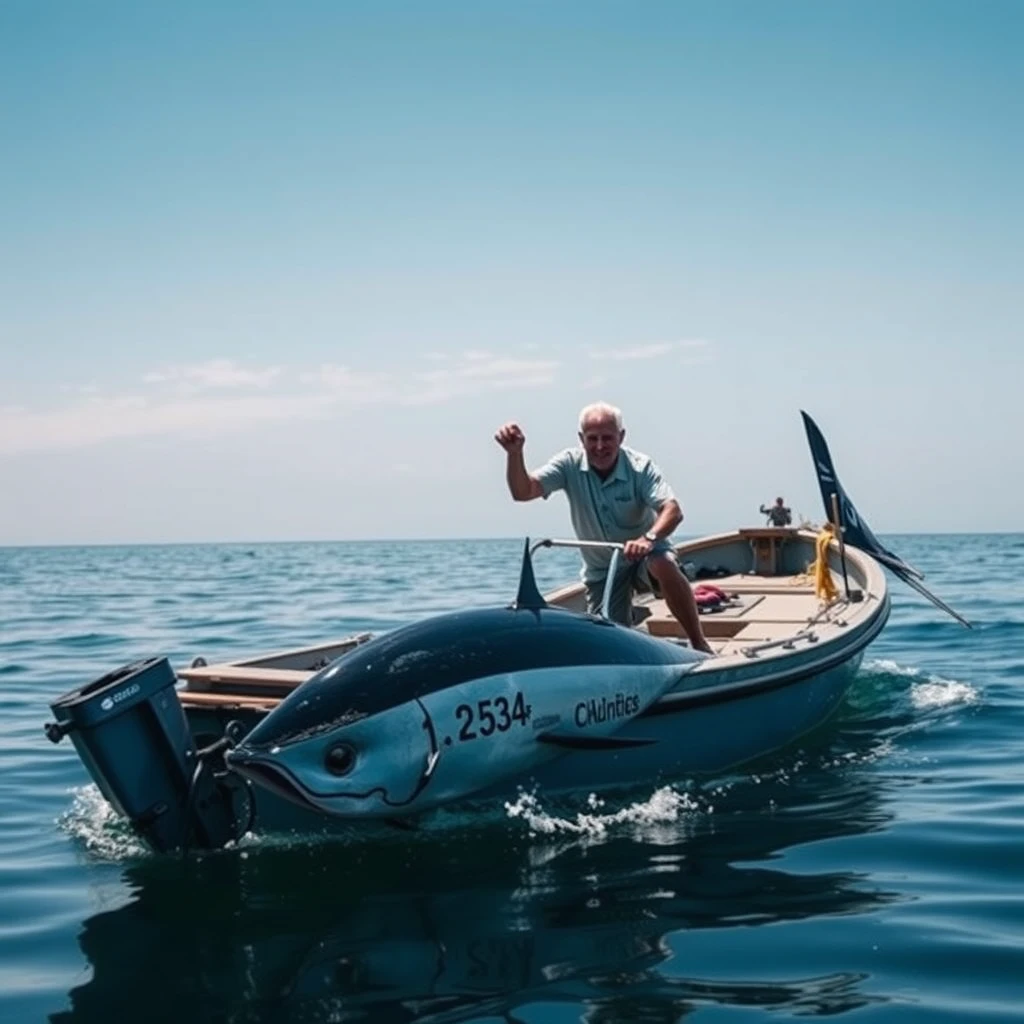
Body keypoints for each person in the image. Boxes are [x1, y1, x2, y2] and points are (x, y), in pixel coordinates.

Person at [494, 402, 714, 655]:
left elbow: (672, 510)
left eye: (607, 438)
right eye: (593, 439)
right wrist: (514, 454)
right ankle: (631, 628)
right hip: (603, 570)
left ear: (621, 437)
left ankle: (699, 642)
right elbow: (523, 492)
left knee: (663, 563)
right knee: (607, 644)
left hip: (645, 554)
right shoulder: (568, 464)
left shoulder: (640, 466)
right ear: (581, 439)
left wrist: (648, 538)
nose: (600, 446)